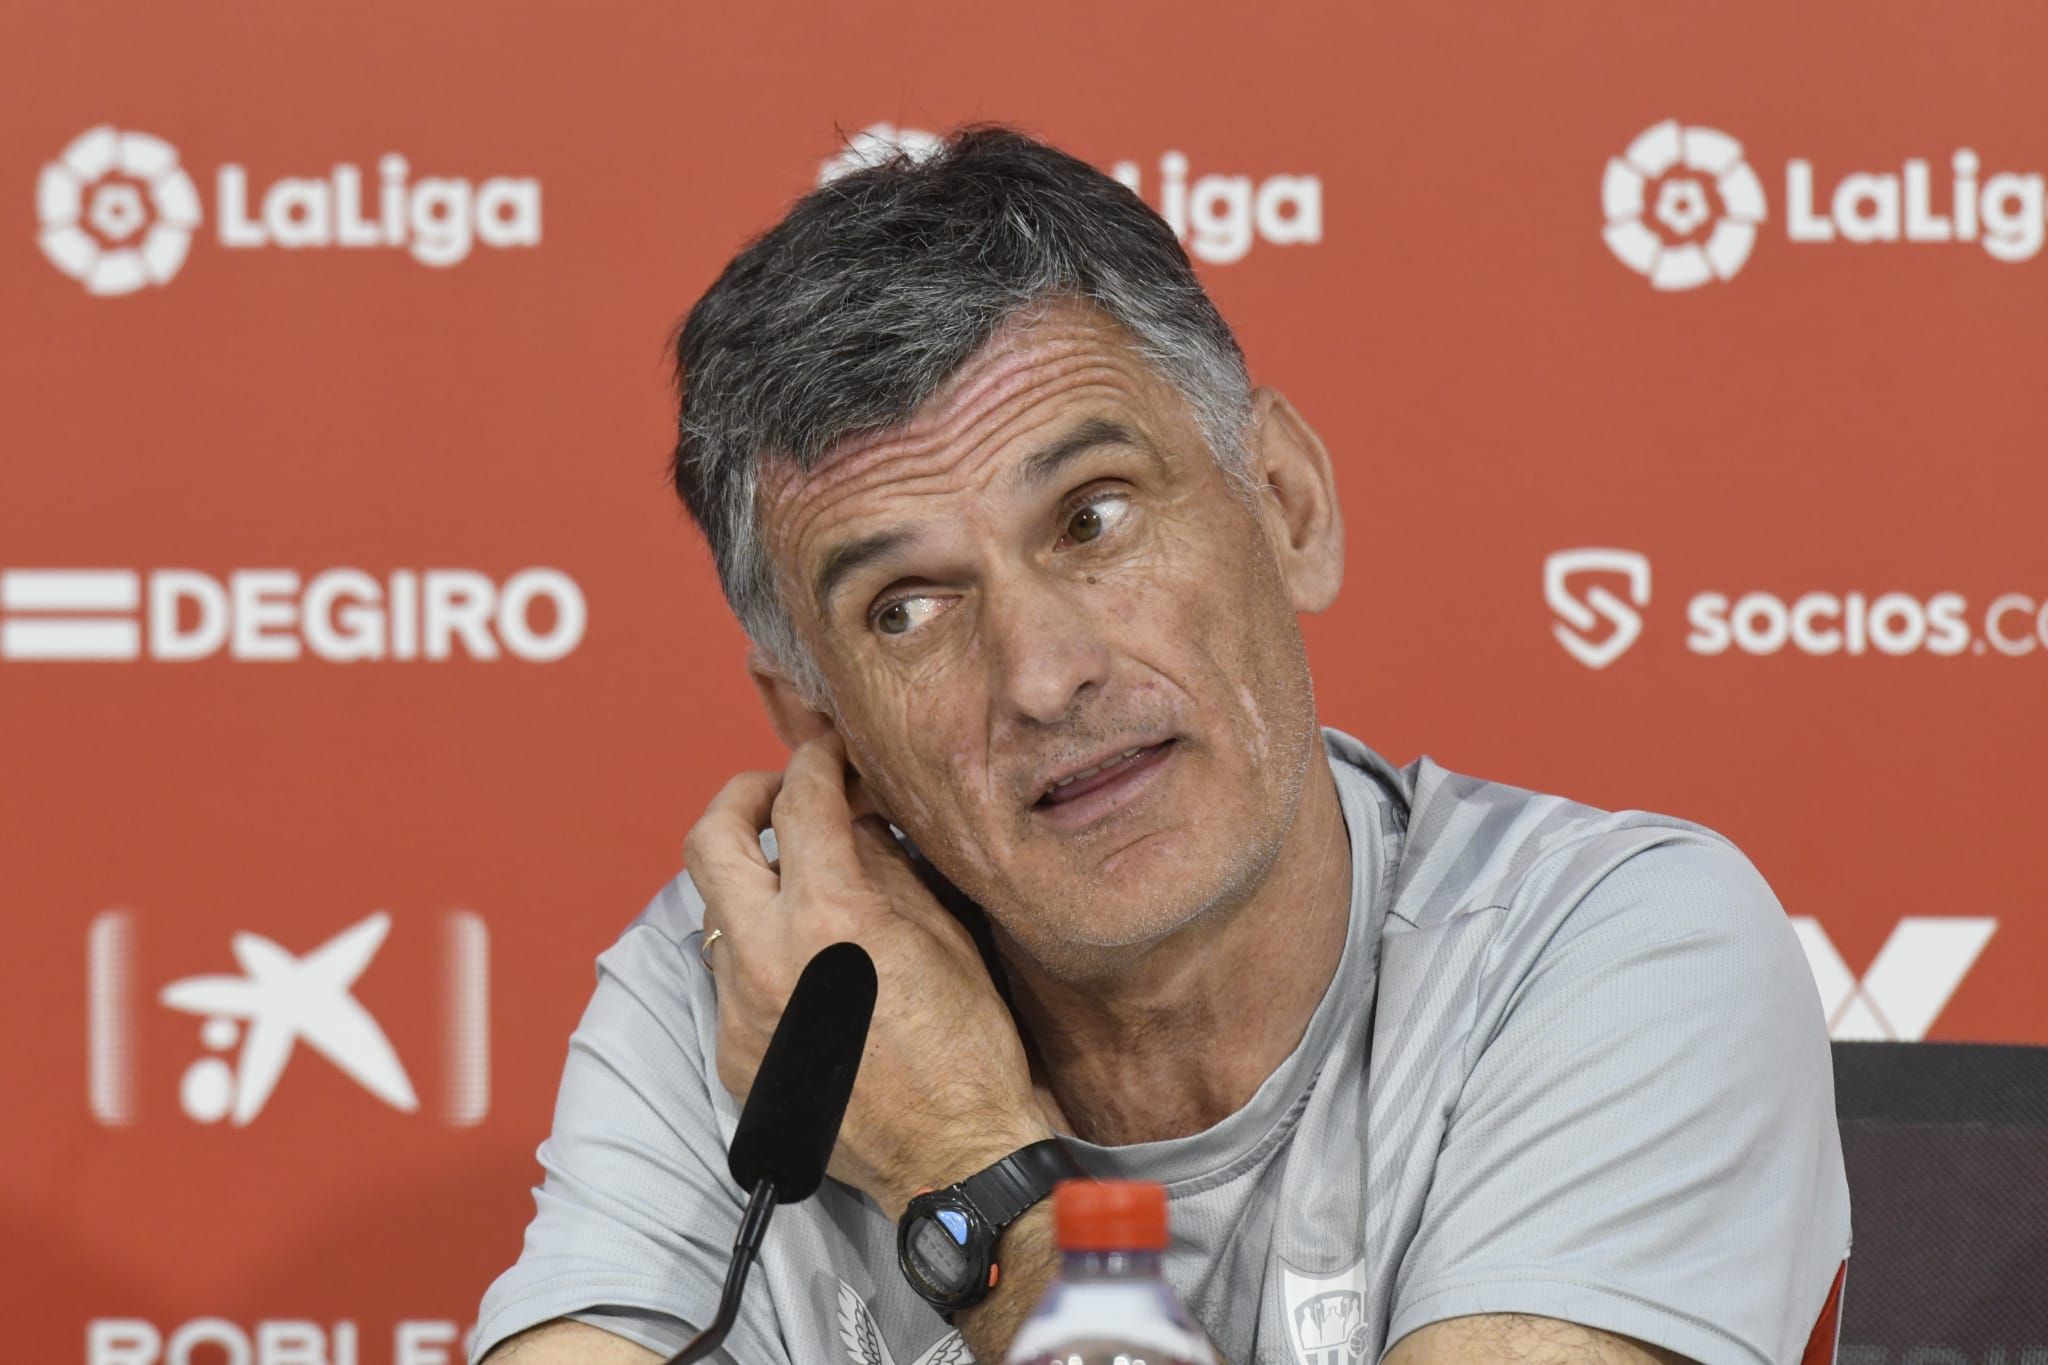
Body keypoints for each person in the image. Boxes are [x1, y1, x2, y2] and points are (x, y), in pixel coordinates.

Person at [470, 126, 1849, 1365]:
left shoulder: (1618, 950)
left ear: (1287, 505)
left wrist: (968, 1172)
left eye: (1093, 517)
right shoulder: (761, 997)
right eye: (908, 606)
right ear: (823, 724)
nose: (1048, 674)